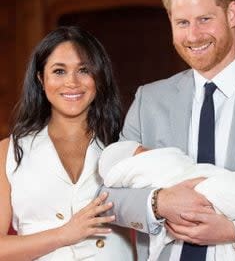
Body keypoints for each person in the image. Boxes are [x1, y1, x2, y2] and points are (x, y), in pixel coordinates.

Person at [102, 0, 235, 260]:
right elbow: (107, 198)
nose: (193, 35)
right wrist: (158, 202)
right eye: (182, 22)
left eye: (205, 19)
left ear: (231, 14)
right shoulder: (149, 101)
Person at [0, 26, 135, 260]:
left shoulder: (123, 145)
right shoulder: (8, 151)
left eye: (84, 70)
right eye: (59, 71)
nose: (72, 82)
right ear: (41, 79)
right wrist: (64, 235)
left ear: (98, 77)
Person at [99, 140, 235, 261]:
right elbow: (108, 200)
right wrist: (159, 202)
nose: (151, 151)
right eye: (143, 151)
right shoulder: (145, 100)